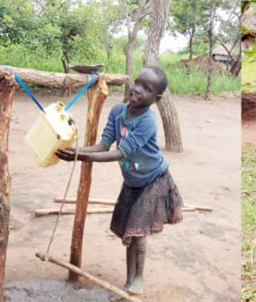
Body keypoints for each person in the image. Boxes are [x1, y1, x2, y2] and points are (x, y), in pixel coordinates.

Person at [56, 67, 183, 297]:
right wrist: (77, 151)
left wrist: (81, 156)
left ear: (157, 99)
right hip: (132, 183)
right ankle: (128, 282)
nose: (137, 89)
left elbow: (119, 153)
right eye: (137, 82)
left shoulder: (148, 121)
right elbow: (104, 145)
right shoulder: (116, 112)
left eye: (147, 88)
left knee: (137, 232)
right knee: (129, 232)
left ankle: (139, 278)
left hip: (153, 181)